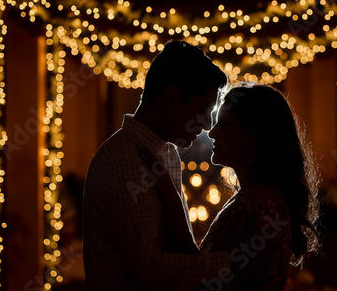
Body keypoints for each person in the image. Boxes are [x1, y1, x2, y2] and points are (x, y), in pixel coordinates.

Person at [82, 40, 230, 291]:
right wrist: (232, 262)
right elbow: (151, 269)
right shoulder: (125, 162)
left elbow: (179, 247)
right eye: (202, 109)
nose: (207, 125)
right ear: (171, 97)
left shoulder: (166, 152)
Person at [148, 82, 321, 291]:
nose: (211, 134)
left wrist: (169, 193)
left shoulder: (259, 202)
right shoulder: (258, 196)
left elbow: (202, 274)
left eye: (223, 125)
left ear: (255, 139)